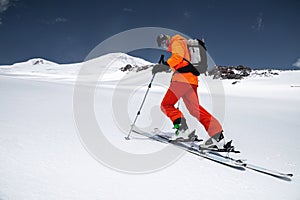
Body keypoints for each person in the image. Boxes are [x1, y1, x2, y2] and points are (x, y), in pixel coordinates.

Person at [152, 34, 225, 149]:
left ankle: (182, 130)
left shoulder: (176, 41)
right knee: (194, 109)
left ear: (167, 38)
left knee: (166, 105)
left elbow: (178, 57)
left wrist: (164, 65)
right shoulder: (184, 44)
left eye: (164, 41)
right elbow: (183, 60)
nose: (164, 45)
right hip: (191, 81)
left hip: (181, 81)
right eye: (161, 44)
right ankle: (217, 136)